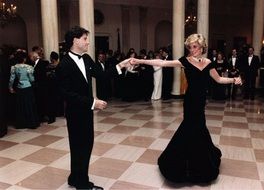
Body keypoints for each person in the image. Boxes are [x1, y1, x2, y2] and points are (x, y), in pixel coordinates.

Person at [130, 33, 242, 184]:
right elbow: (162, 63)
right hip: (190, 101)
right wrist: (139, 60)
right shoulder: (185, 61)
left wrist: (234, 80)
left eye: (195, 47)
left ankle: (201, 162)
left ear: (202, 47)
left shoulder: (209, 62)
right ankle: (181, 162)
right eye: (189, 47)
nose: (192, 50)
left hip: (201, 101)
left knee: (200, 128)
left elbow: (219, 79)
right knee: (190, 128)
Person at [56, 26, 130, 190]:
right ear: (75, 41)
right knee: (79, 146)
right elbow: (66, 94)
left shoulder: (87, 58)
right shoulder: (64, 64)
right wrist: (92, 102)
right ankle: (82, 184)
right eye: (85, 38)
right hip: (75, 113)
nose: (88, 42)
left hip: (86, 112)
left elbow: (103, 76)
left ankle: (75, 178)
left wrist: (121, 65)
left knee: (85, 145)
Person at [8, 50, 40, 129]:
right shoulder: (29, 67)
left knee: (20, 106)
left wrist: (10, 87)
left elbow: (11, 79)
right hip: (28, 87)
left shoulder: (14, 67)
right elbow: (32, 79)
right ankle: (31, 122)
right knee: (29, 105)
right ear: (24, 59)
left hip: (19, 88)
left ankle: (21, 123)